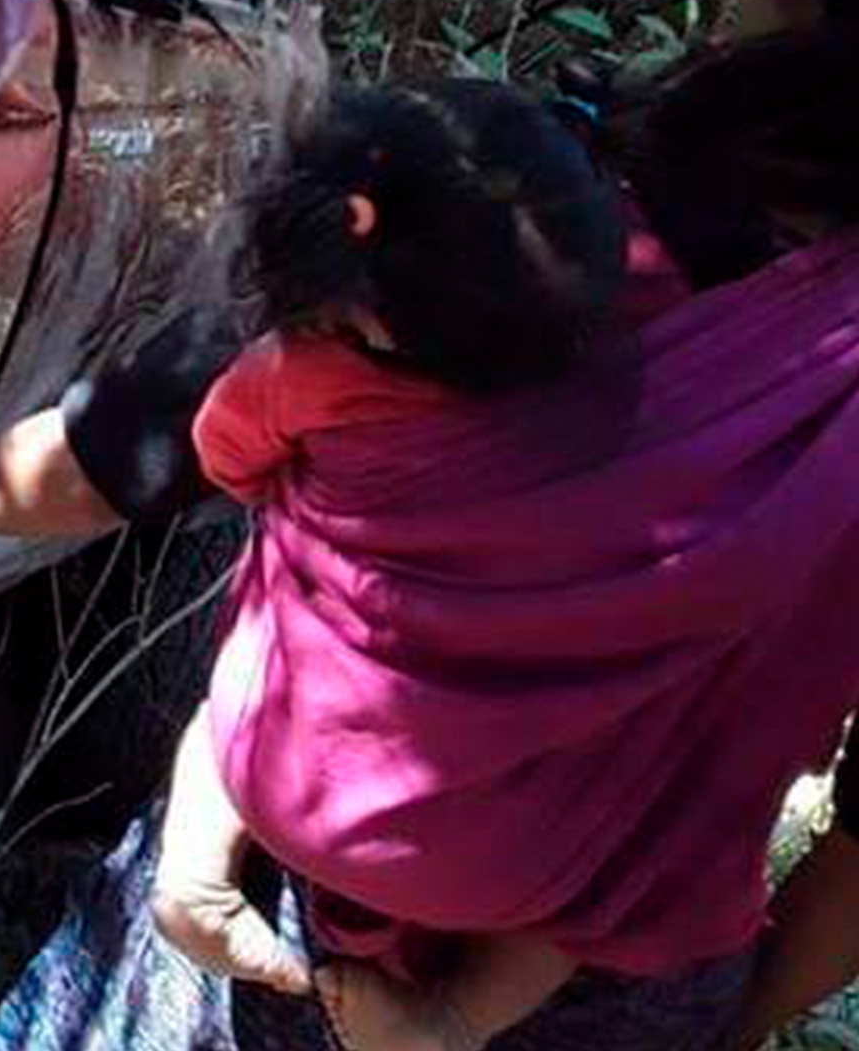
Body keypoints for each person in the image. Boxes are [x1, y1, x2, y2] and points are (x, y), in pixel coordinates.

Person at [0, 0, 859, 1050]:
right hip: (624, 976)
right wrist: (719, 1024)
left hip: (300, 902)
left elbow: (127, 450)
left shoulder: (523, 223)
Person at [161, 79, 632, 1051]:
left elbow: (225, 459)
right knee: (607, 864)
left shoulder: (299, 375)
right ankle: (452, 1016)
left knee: (255, 630)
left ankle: (193, 880)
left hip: (300, 793)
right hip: (524, 866)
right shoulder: (610, 415)